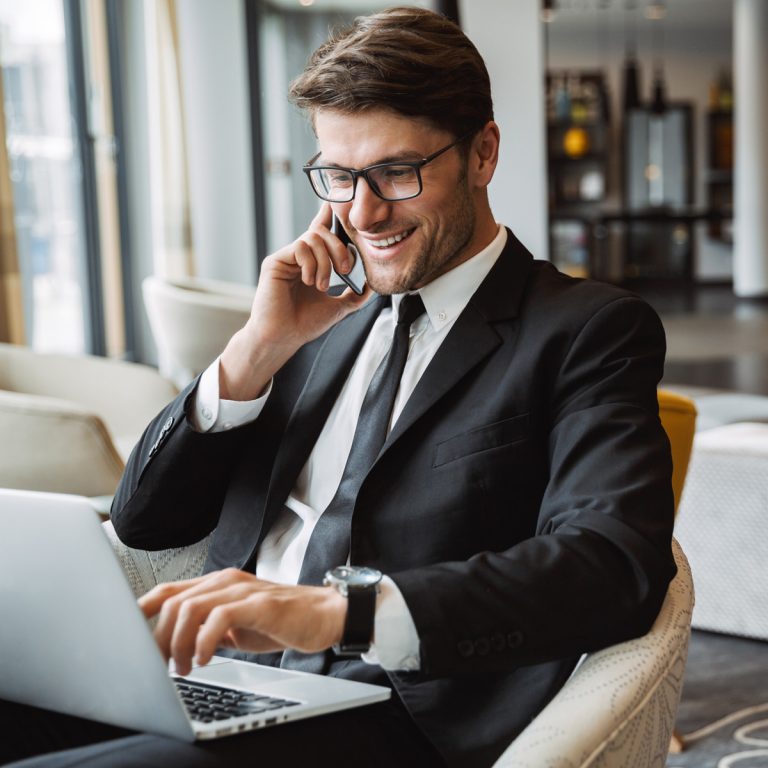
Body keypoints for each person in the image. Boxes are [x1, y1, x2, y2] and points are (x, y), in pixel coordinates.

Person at [1, 6, 676, 767]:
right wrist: (256, 350)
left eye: (396, 172)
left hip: (397, 717)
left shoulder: (587, 330)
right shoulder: (315, 323)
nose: (363, 212)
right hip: (221, 679)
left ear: (482, 154)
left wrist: (336, 615)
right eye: (339, 176)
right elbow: (143, 524)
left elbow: (611, 563)